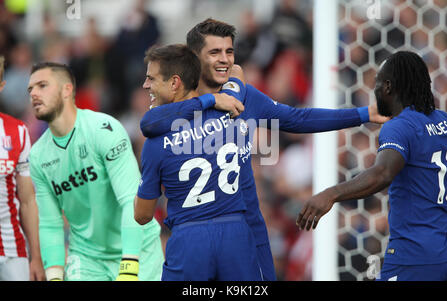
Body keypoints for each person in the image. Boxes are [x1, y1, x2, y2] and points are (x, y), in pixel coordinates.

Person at [139, 18, 389, 281]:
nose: (225, 60)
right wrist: (219, 95)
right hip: (209, 236)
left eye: (229, 51)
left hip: (246, 232)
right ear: (193, 58)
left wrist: (363, 113)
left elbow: (298, 119)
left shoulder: (240, 97)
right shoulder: (180, 113)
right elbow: (149, 123)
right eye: (215, 52)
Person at [296, 51, 447, 281]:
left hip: (414, 254)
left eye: (377, 83)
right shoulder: (445, 121)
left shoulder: (399, 127)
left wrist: (330, 194)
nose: (374, 90)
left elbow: (383, 173)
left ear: (387, 87)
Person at [134, 44, 262, 281]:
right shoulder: (229, 110)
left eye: (151, 79)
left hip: (189, 239)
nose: (146, 85)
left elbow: (142, 215)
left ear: (174, 83)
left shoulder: (156, 141)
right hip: (236, 234)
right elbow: (237, 72)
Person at [27, 62, 164, 281]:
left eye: (42, 85)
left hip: (139, 249)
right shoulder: (37, 156)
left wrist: (128, 268)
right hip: (87, 257)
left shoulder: (103, 130)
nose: (33, 93)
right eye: (30, 89)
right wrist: (54, 275)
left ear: (66, 90)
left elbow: (131, 200)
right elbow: (50, 222)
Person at [0, 56, 45, 281]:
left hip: (12, 248)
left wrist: (35, 256)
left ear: (1, 86)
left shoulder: (17, 131)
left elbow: (27, 200)